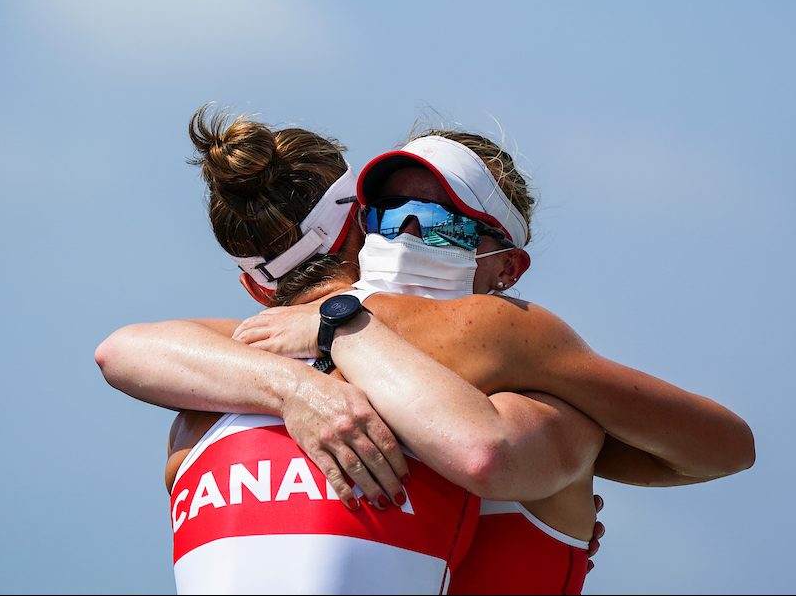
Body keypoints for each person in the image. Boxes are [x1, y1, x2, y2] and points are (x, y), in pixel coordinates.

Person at [96, 107, 755, 594]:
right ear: (359, 225)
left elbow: (124, 349)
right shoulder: (504, 349)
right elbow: (707, 449)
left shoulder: (212, 388)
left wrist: (326, 339)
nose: (406, 232)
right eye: (388, 214)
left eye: (437, 222)